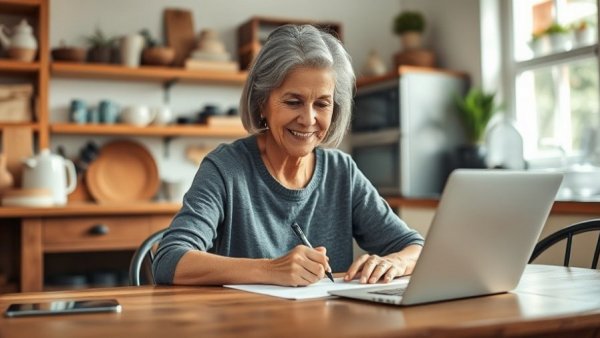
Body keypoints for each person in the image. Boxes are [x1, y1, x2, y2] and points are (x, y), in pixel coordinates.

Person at [153, 24, 423, 287]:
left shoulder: (342, 171)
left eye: (322, 104)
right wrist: (271, 269)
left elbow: (416, 247)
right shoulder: (225, 168)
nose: (308, 119)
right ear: (262, 104)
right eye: (293, 102)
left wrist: (397, 262)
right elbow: (169, 259)